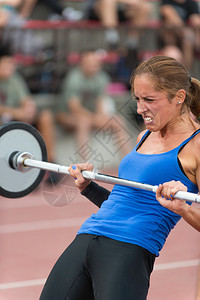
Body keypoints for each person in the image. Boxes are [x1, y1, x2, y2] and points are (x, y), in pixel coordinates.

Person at [39, 55, 200, 300]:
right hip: (87, 238)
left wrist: (183, 208)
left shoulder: (196, 146)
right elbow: (125, 202)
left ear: (178, 97)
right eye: (137, 99)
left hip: (130, 249)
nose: (139, 108)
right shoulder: (144, 137)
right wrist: (88, 187)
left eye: (149, 100)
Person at [0, 42, 60, 183]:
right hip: (5, 121)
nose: (11, 67)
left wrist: (28, 107)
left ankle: (48, 165)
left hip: (16, 120)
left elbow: (26, 99)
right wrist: (16, 112)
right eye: (6, 64)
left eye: (12, 64)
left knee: (46, 116)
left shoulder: (14, 78)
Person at [56, 49, 131, 158]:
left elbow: (101, 102)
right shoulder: (74, 78)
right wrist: (95, 118)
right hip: (67, 116)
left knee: (117, 120)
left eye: (95, 62)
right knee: (83, 122)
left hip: (91, 116)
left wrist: (100, 117)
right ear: (82, 63)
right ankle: (84, 166)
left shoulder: (102, 77)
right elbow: (74, 108)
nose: (93, 65)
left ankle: (128, 161)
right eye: (90, 62)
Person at [159, 0, 200, 70]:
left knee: (188, 40)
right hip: (170, 42)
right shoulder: (167, 2)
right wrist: (184, 30)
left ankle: (187, 72)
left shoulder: (191, 3)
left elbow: (196, 20)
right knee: (173, 53)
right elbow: (166, 12)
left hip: (188, 42)